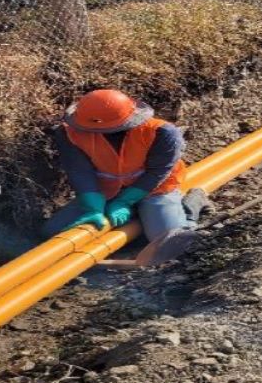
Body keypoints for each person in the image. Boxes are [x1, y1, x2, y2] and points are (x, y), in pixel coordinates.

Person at [45, 89, 200, 266]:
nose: (95, 132)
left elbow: (157, 172)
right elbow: (80, 171)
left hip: (155, 189)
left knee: (167, 243)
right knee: (52, 232)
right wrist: (93, 208)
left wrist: (125, 201)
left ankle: (190, 207)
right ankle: (139, 215)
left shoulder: (161, 132)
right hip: (106, 191)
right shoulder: (69, 134)